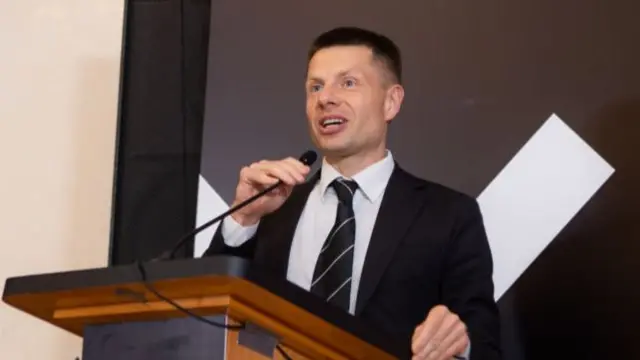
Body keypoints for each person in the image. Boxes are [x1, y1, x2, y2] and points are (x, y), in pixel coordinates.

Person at [203, 26, 501, 359]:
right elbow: (203, 320)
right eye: (315, 87)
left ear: (391, 102)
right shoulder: (272, 209)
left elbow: (486, 346)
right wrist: (243, 217)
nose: (325, 98)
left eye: (348, 83)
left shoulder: (448, 215)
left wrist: (460, 344)